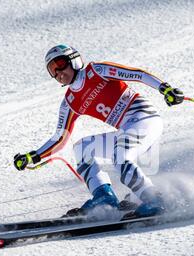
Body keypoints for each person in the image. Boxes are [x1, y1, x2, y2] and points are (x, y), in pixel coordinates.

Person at [13, 44, 184, 217]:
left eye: (60, 64)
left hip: (144, 119)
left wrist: (165, 88)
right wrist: (33, 156)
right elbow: (60, 138)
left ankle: (154, 199)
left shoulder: (96, 70)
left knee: (121, 157)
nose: (58, 73)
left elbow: (137, 74)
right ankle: (104, 197)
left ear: (74, 60)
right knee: (82, 148)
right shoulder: (70, 102)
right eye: (52, 70)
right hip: (125, 130)